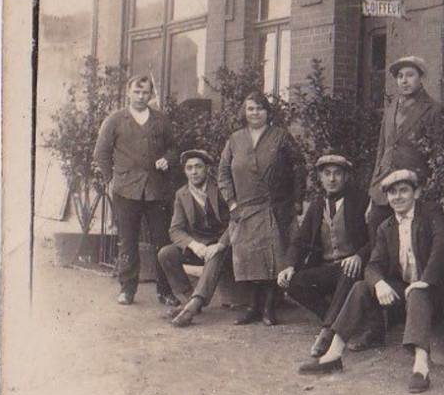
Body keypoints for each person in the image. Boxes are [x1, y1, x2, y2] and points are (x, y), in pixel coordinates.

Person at [298, 169, 444, 394]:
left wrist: (426, 281)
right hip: (407, 292)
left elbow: (443, 248)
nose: (398, 197)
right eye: (392, 193)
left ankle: (421, 367)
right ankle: (333, 354)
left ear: (416, 193)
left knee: (417, 292)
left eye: (404, 191)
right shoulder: (386, 227)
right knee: (361, 287)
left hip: (438, 291)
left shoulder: (431, 214)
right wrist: (379, 283)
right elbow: (373, 265)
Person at [218, 90, 305, 326]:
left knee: (274, 257)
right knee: (249, 258)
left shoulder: (281, 137)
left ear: (268, 112)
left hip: (275, 206)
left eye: (260, 108)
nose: (255, 113)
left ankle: (269, 308)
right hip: (244, 208)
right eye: (250, 109)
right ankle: (252, 307)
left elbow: (298, 166)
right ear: (244, 113)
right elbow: (223, 172)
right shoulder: (235, 140)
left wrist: (297, 199)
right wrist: (232, 202)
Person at [93, 74, 179, 306]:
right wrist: (112, 179)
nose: (141, 97)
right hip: (126, 190)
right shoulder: (115, 120)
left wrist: (167, 159)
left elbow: (173, 147)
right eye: (136, 92)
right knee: (128, 240)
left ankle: (165, 291)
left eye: (145, 93)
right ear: (128, 93)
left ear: (151, 95)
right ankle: (128, 289)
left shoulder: (160, 119)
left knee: (162, 240)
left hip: (155, 190)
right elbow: (101, 152)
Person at [277, 154, 370, 358]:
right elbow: (300, 241)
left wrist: (359, 256)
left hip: (353, 269)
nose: (332, 179)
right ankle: (345, 319)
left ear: (346, 176)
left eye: (337, 173)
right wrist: (290, 265)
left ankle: (328, 332)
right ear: (320, 177)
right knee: (292, 283)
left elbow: (377, 239)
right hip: (328, 268)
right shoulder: (317, 206)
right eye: (326, 174)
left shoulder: (362, 201)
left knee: (348, 269)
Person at [366, 56, 443, 244]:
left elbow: (440, 157)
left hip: (413, 191)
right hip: (383, 191)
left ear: (420, 77)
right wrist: (373, 193)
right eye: (400, 76)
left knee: (411, 244)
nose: (404, 80)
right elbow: (382, 151)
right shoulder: (391, 109)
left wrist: (427, 191)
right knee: (377, 241)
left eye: (410, 75)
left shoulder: (433, 110)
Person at [157, 149, 232, 327]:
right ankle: (187, 299)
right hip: (199, 247)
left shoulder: (221, 189)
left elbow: (236, 220)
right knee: (166, 253)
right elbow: (175, 230)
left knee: (215, 255)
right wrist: (193, 245)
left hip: (225, 247)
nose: (194, 172)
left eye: (198, 167)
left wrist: (221, 244)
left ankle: (193, 306)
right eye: (189, 168)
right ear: (185, 171)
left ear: (207, 169)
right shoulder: (181, 195)